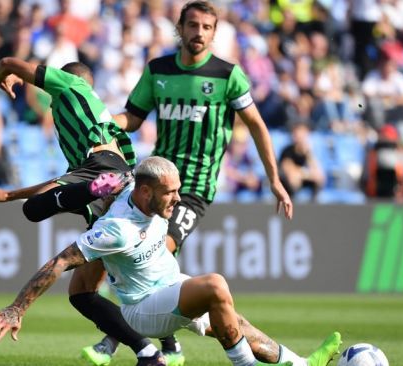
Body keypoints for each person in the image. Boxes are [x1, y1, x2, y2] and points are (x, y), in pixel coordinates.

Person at [84, 2, 294, 364]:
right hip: (153, 183)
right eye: (193, 25)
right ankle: (167, 344)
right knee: (116, 247)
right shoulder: (158, 71)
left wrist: (274, 178)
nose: (199, 33)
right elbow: (132, 118)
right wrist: (104, 124)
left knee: (160, 247)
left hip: (193, 188)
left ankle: (116, 340)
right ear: (180, 28)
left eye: (207, 27)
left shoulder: (228, 75)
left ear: (215, 32)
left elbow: (257, 126)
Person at [0, 156, 341, 366]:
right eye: (171, 193)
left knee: (233, 322)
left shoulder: (131, 185)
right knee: (215, 285)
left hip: (169, 286)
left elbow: (53, 183)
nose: (178, 198)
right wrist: (18, 308)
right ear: (145, 192)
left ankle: (301, 364)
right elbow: (58, 263)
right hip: (144, 309)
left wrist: (14, 195)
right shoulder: (116, 229)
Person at [0, 58, 159, 364]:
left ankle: (96, 189)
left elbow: (9, 62)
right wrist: (10, 194)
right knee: (82, 293)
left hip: (103, 175)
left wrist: (1, 74)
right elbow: (64, 182)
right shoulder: (84, 123)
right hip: (109, 185)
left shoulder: (72, 85)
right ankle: (147, 352)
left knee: (33, 211)